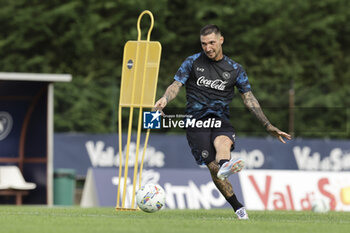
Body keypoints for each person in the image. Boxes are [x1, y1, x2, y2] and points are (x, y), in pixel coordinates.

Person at [154, 24, 291, 219]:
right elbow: (176, 85)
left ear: (221, 40)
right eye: (203, 44)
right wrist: (165, 99)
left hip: (220, 119)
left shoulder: (235, 69)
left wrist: (268, 125)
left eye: (211, 43)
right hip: (196, 122)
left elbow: (249, 98)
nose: (207, 48)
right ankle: (237, 205)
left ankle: (226, 165)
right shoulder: (192, 62)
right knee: (212, 167)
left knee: (223, 143)